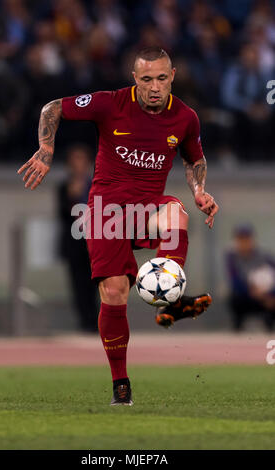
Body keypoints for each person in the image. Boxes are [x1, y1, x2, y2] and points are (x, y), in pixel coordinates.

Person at [17, 47, 219, 406]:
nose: (154, 87)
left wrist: (200, 190)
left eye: (161, 78)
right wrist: (46, 149)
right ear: (134, 78)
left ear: (172, 75)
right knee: (114, 294)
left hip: (146, 208)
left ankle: (168, 302)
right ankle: (120, 383)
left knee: (178, 213)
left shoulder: (186, 118)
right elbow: (53, 107)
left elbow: (195, 158)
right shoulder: (110, 104)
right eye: (146, 79)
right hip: (105, 211)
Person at [57, 145, 99, 333]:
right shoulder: (64, 187)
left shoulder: (97, 185)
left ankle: (97, 321)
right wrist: (71, 197)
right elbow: (62, 215)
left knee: (97, 285)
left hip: (95, 244)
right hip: (74, 244)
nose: (78, 164)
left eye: (81, 159)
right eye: (75, 159)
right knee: (78, 284)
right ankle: (84, 322)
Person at [226, 224, 275, 331]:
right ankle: (238, 327)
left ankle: (270, 326)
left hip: (267, 297)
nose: (244, 243)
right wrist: (252, 291)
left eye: (246, 239)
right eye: (241, 239)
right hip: (247, 297)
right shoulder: (232, 258)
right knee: (234, 298)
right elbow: (235, 281)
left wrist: (269, 294)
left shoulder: (264, 257)